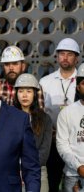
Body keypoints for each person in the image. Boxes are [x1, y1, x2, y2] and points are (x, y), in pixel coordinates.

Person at [39, 38, 80, 191]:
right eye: (61, 54)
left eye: (69, 54)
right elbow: (41, 113)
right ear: (56, 57)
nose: (65, 57)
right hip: (53, 141)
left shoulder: (81, 82)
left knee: (76, 182)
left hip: (77, 141)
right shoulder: (45, 82)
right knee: (52, 181)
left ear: (76, 58)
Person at [13, 73, 53, 191]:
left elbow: (44, 151)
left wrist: (26, 166)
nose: (24, 95)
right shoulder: (8, 117)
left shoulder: (45, 119)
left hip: (38, 170)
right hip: (12, 171)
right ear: (16, 93)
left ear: (35, 94)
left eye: (29, 91)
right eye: (21, 91)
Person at [56, 63, 84, 192]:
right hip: (74, 176)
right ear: (78, 87)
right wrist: (78, 166)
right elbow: (62, 145)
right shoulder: (67, 113)